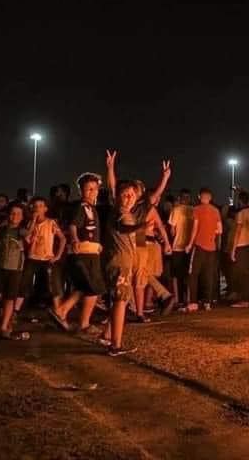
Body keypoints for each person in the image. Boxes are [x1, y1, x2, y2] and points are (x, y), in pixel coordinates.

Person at [104, 150, 172, 321]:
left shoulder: (143, 207)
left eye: (135, 191)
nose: (130, 195)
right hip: (122, 245)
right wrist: (111, 167)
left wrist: (165, 178)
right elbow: (113, 187)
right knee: (130, 278)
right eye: (127, 193)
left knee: (140, 276)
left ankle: (139, 311)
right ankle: (133, 309)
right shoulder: (122, 205)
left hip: (138, 241)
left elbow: (156, 196)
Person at [49, 173, 106, 333]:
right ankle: (83, 322)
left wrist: (98, 244)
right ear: (81, 190)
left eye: (94, 189)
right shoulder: (83, 207)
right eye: (88, 189)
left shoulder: (91, 208)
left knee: (84, 286)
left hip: (91, 250)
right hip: (85, 253)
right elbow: (74, 226)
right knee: (94, 287)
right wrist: (74, 240)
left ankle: (62, 311)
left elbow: (89, 229)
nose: (92, 192)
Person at [100, 179, 149, 355]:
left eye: (131, 195)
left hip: (117, 261)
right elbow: (124, 228)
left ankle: (107, 335)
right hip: (120, 262)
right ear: (118, 197)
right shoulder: (122, 214)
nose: (128, 198)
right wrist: (139, 226)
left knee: (118, 300)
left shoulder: (118, 211)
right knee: (121, 301)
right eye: (125, 195)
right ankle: (116, 345)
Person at [0, 202, 28, 339]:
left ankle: (4, 327)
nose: (15, 216)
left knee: (10, 298)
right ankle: (6, 319)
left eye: (18, 214)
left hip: (15, 269)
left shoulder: (23, 231)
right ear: (9, 215)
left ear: (22, 217)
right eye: (13, 213)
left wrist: (25, 244)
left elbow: (32, 244)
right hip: (0, 267)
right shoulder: (2, 230)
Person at [20, 197, 66, 312]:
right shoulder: (30, 223)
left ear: (45, 208)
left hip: (47, 258)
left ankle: (58, 311)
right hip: (32, 257)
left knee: (53, 283)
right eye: (35, 206)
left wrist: (58, 256)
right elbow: (27, 239)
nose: (37, 208)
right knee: (25, 281)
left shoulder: (51, 223)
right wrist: (33, 222)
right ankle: (15, 310)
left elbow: (63, 239)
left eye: (40, 206)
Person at [186, 188, 222, 310]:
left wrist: (190, 244)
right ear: (210, 198)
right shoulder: (216, 211)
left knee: (193, 274)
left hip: (199, 245)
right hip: (211, 247)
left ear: (199, 197)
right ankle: (207, 302)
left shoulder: (196, 209)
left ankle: (193, 302)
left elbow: (195, 228)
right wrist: (212, 232)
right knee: (208, 275)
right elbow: (220, 230)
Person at [229, 190, 249, 308]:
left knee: (242, 273)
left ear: (241, 201)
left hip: (242, 244)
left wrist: (233, 249)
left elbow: (238, 231)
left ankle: (244, 300)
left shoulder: (240, 214)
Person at [169, 189, 193, 308]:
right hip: (190, 246)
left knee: (175, 274)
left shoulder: (175, 210)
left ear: (180, 197)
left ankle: (177, 299)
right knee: (188, 274)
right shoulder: (194, 210)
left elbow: (172, 231)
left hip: (177, 246)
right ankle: (188, 298)